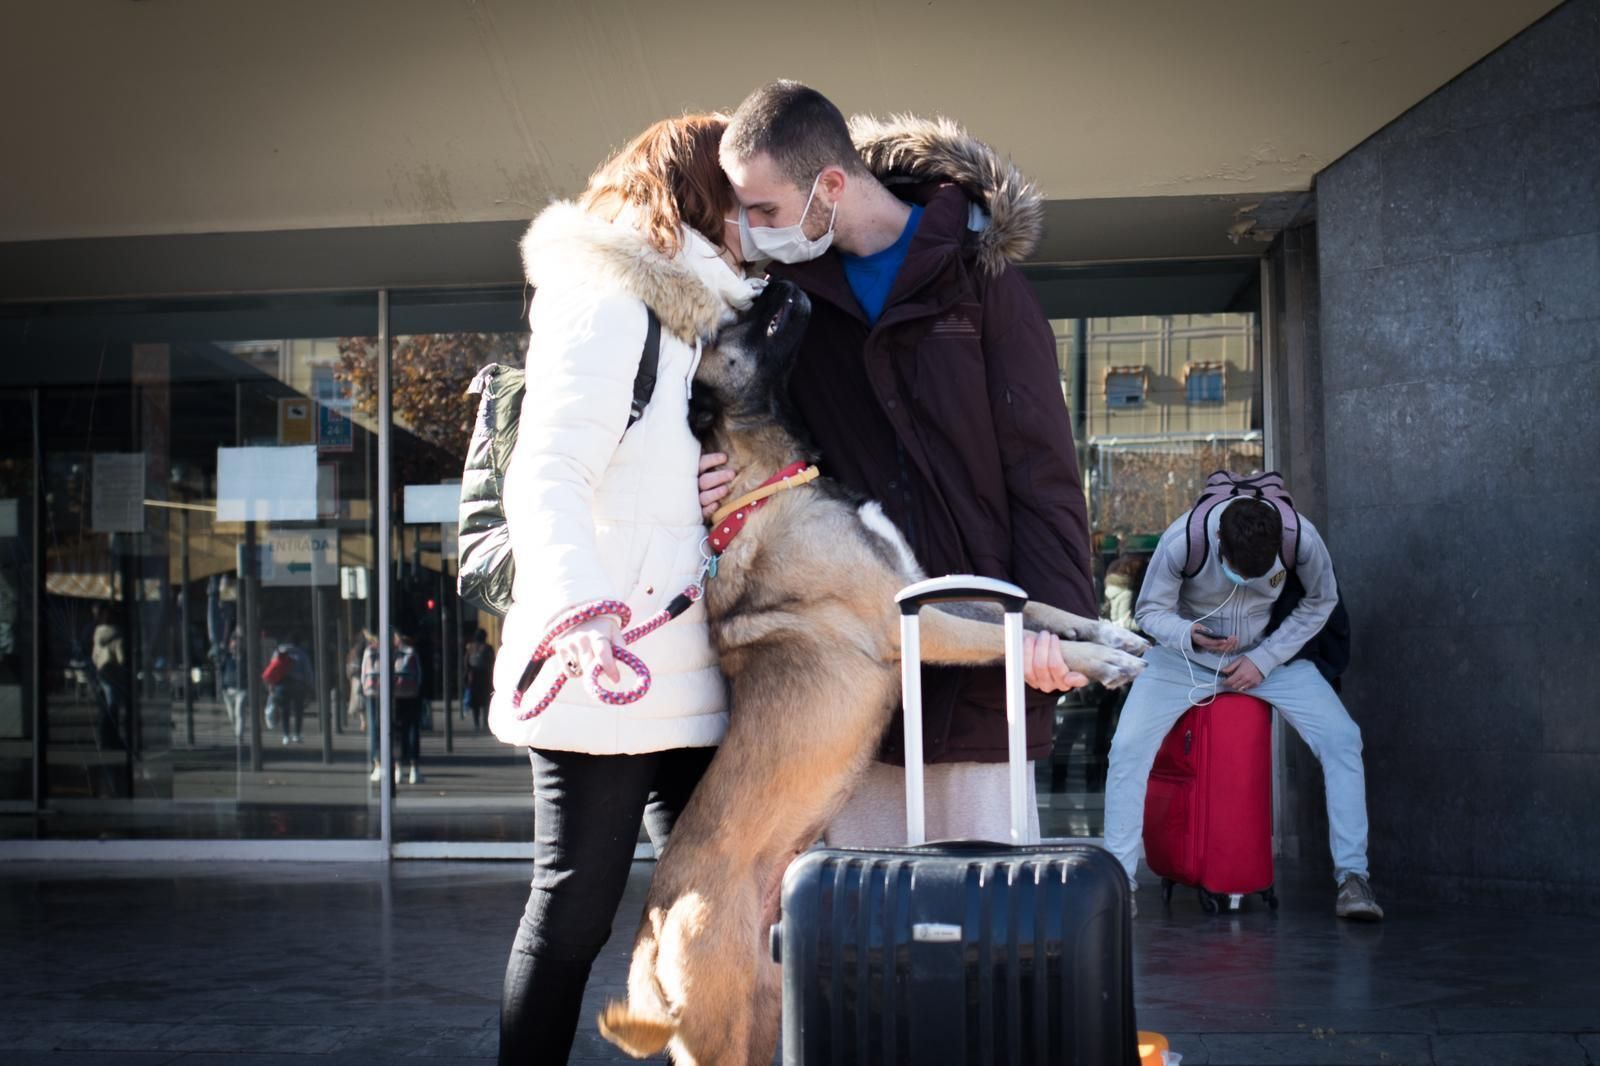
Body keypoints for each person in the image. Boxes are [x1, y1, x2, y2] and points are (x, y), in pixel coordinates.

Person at [708, 82, 1094, 844]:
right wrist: (709, 478)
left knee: (985, 906)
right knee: (865, 912)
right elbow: (766, 447)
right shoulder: (786, 305)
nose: (752, 231)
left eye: (766, 210)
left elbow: (1041, 469)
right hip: (850, 671)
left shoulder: (979, 279)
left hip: (984, 650)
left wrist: (1058, 626)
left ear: (831, 185)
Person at [485, 114, 766, 1066]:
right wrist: (578, 614)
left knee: (711, 905)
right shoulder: (609, 301)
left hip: (684, 668)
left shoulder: (688, 317)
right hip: (605, 666)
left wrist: (700, 484)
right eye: (742, 199)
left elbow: (637, 470)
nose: (757, 224)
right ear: (702, 197)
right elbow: (548, 472)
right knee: (574, 915)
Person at [1103, 490, 1383, 921]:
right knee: (1126, 748)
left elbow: (1320, 601)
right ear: (1219, 540)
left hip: (1268, 658)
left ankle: (1353, 878)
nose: (1247, 582)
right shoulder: (1184, 539)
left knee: (1343, 738)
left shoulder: (1300, 538)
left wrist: (1264, 658)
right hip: (1184, 660)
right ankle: (1120, 884)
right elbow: (1149, 611)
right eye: (1239, 572)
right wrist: (1188, 634)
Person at [391, 628, 423, 784]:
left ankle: (398, 768)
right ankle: (414, 768)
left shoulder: (392, 653)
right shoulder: (412, 652)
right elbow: (420, 677)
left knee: (397, 733)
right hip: (412, 696)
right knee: (413, 731)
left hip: (396, 698)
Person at [462, 627, 493, 733]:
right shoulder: (488, 648)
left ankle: (476, 722)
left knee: (475, 702)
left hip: (473, 678)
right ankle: (486, 721)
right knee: (486, 700)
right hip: (485, 677)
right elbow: (492, 661)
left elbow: (466, 662)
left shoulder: (470, 647)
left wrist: (466, 675)